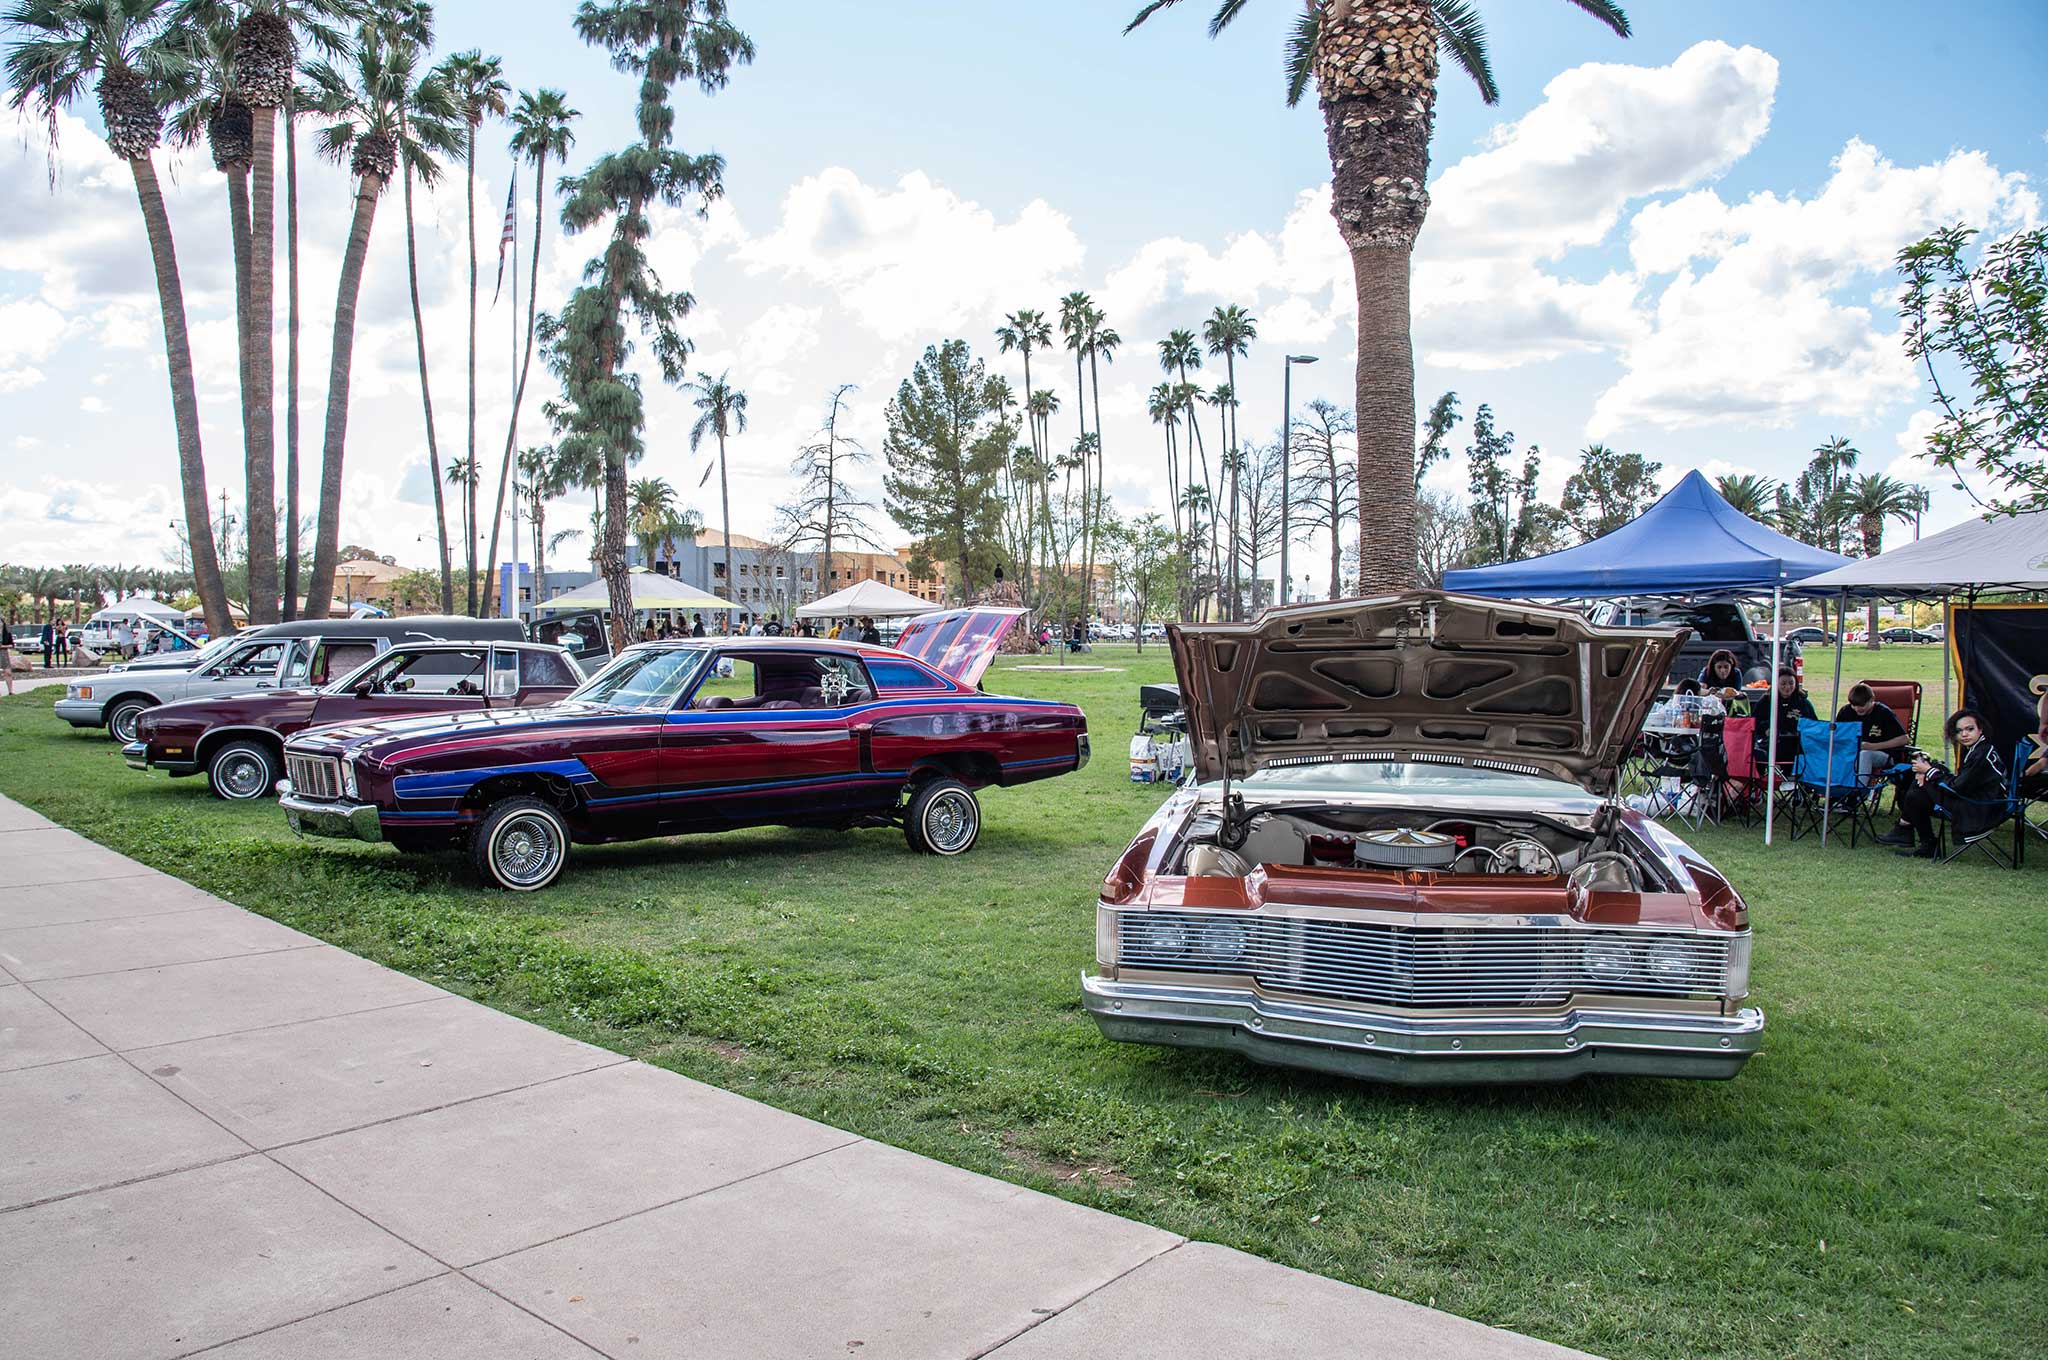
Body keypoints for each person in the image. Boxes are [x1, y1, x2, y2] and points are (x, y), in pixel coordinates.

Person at [1888, 709, 2008, 858]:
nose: (1964, 734)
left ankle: (1909, 830)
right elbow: (1962, 783)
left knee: (1919, 788)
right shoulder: (1980, 749)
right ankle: (1912, 833)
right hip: (1979, 800)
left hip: (1980, 809)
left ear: (1980, 729)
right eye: (1959, 731)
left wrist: (1928, 771)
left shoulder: (1981, 755)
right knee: (1920, 787)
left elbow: (1957, 787)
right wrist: (1928, 771)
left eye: (1970, 729)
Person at [1835, 683, 1910, 781]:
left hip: (1882, 754)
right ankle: (1832, 788)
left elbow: (1904, 739)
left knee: (1865, 754)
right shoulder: (1846, 712)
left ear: (1871, 700)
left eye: (1862, 705)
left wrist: (1873, 746)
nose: (1857, 709)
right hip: (1851, 753)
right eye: (1854, 705)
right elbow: (1836, 735)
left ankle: (1859, 790)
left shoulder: (1883, 713)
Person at [1752, 666, 1815, 767]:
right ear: (1776, 684)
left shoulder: (1803, 703)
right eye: (1783, 684)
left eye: (1791, 683)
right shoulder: (1765, 701)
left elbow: (1813, 724)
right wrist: (1765, 729)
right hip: (1770, 744)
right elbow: (1754, 723)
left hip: (1796, 746)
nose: (1787, 687)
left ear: (1796, 684)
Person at [0, 617, 13, 696]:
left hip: (3, 652)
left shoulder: (7, 633)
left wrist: (3, 646)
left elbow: (11, 644)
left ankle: (10, 691)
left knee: (8, 672)